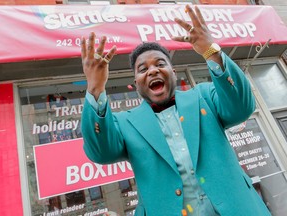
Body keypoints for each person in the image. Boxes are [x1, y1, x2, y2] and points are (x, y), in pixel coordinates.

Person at [80, 4, 271, 216]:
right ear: (136, 83)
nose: (153, 70)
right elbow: (100, 151)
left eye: (160, 64)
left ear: (173, 71)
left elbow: (242, 107)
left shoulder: (204, 96)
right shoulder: (124, 124)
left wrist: (211, 51)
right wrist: (95, 88)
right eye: (143, 69)